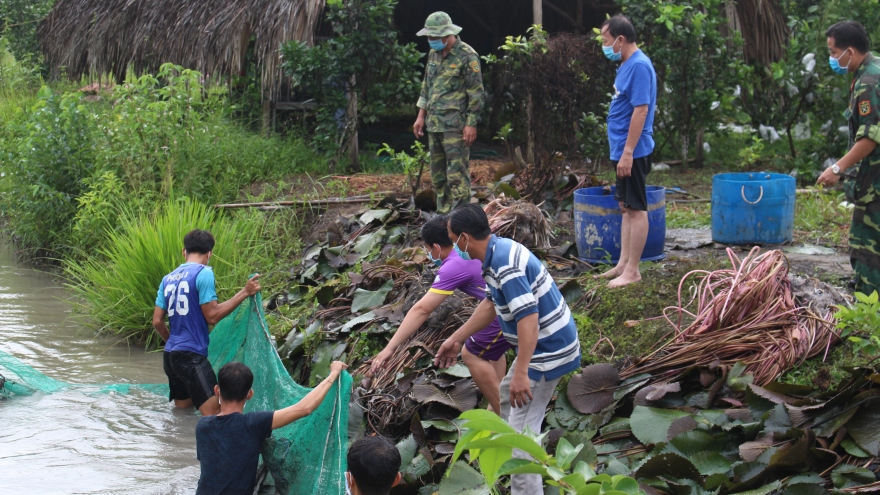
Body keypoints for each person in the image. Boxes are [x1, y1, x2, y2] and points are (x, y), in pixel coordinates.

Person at [434, 204, 582, 495]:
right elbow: (490, 304)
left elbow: (529, 319)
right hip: (545, 344)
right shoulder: (496, 252)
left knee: (520, 437)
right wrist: (457, 338)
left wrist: (522, 372)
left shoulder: (505, 264)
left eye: (453, 242)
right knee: (508, 401)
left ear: (464, 238)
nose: (454, 249)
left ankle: (525, 489)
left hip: (548, 349)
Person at [369, 216, 512, 413]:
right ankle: (496, 402)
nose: (428, 253)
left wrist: (389, 349)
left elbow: (422, 309)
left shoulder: (453, 265)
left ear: (436, 247)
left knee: (471, 352)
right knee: (491, 346)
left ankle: (504, 413)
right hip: (507, 300)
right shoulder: (469, 249)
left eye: (428, 249)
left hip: (502, 309)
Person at [195, 360, 347, 494]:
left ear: (216, 390)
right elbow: (304, 408)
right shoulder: (254, 424)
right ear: (250, 394)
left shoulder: (202, 426)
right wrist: (333, 373)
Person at [152, 229, 261, 416]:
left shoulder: (167, 279)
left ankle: (176, 445)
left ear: (183, 251)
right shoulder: (204, 273)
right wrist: (244, 292)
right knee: (216, 412)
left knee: (182, 413)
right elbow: (212, 316)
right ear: (209, 253)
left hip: (170, 355)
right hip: (191, 356)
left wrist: (173, 342)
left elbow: (157, 322)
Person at [817, 21, 880, 295]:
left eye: (833, 52)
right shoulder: (873, 68)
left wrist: (837, 167)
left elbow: (870, 138)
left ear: (850, 52)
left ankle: (869, 315)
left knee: (867, 248)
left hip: (875, 185)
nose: (832, 58)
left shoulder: (867, 84)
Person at [594, 15, 657, 288]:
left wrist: (629, 152)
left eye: (606, 41)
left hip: (633, 150)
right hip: (621, 148)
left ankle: (633, 271)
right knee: (625, 206)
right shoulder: (626, 65)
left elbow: (641, 109)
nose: (604, 46)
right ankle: (622, 264)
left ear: (620, 39)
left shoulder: (640, 66)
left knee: (636, 208)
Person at [414, 11, 485, 213]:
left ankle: (460, 217)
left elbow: (476, 93)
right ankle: (444, 216)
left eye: (435, 37)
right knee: (438, 175)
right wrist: (421, 116)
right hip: (435, 124)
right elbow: (427, 86)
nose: (431, 41)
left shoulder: (467, 56)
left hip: (455, 126)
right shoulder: (434, 53)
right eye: (430, 37)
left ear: (447, 34)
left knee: (457, 175)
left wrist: (471, 123)